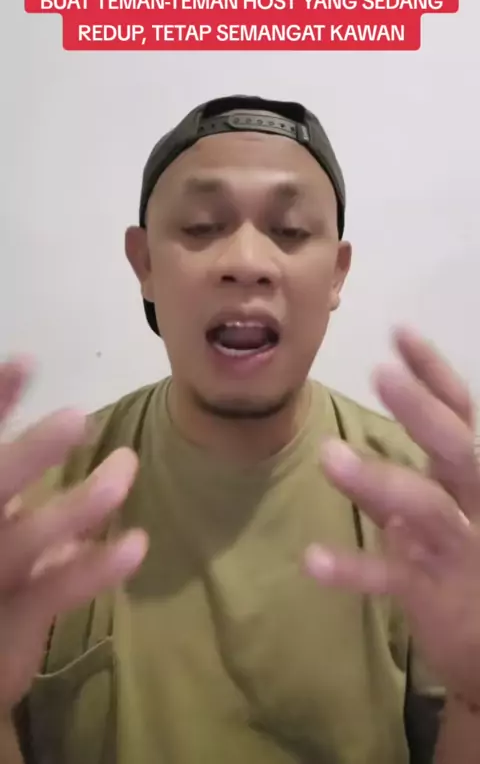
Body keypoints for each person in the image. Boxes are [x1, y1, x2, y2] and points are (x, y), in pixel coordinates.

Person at [1, 95, 479, 764]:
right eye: (202, 226)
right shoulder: (40, 511)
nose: (248, 260)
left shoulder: (424, 509)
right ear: (144, 264)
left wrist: (476, 698)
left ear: (337, 273)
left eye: (290, 230)